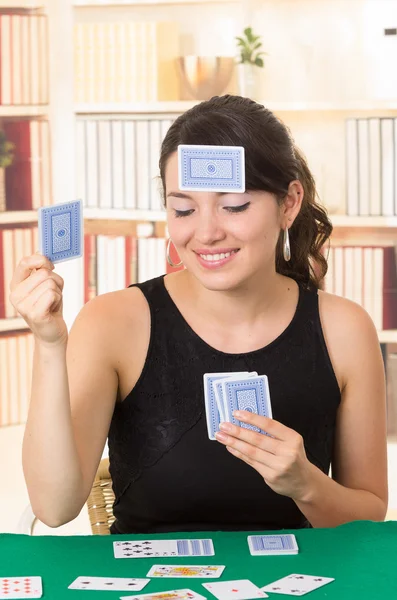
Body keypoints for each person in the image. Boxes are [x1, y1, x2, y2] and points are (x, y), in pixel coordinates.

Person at [10, 95, 388, 534]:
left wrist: (306, 484)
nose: (206, 233)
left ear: (289, 203)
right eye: (184, 209)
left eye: (234, 206)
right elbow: (54, 508)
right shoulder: (112, 322)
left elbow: (369, 517)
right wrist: (50, 344)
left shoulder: (344, 329)